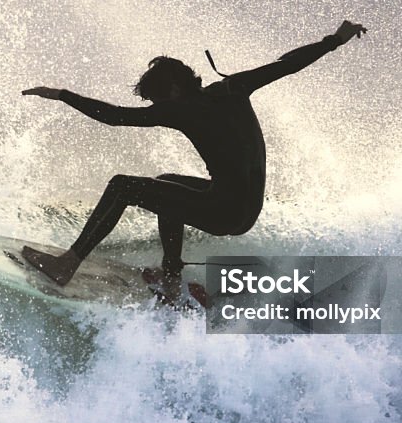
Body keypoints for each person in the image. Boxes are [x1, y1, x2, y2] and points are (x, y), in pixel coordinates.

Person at [21, 20, 367, 302]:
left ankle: (68, 263)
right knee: (166, 181)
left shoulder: (181, 110)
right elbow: (286, 65)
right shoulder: (233, 88)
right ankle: (171, 279)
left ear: (173, 89)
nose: (156, 106)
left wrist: (62, 95)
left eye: (157, 98)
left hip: (224, 211)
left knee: (122, 185)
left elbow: (113, 117)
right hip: (246, 209)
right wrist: (334, 39)